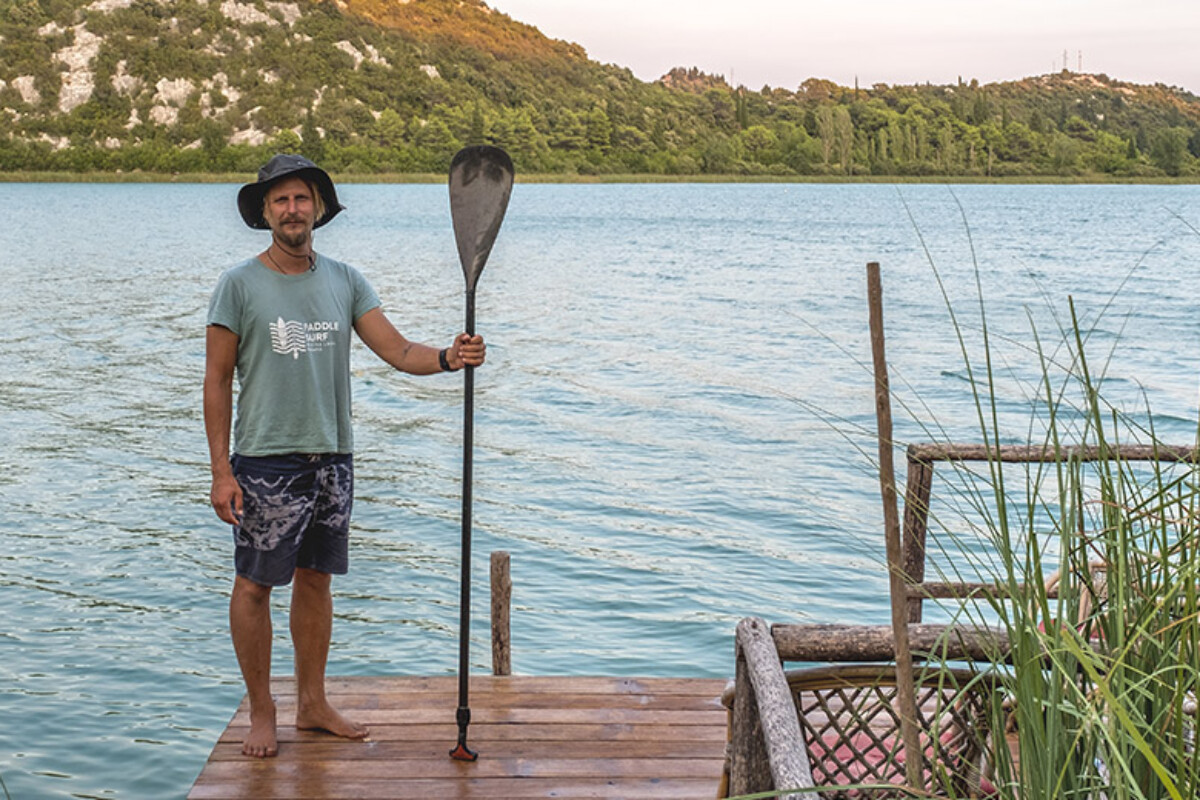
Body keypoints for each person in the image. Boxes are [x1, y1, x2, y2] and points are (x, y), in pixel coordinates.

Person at [203, 154, 485, 758]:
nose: (292, 209)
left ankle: (312, 703)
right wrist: (221, 470)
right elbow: (216, 381)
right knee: (254, 586)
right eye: (279, 200)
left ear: (320, 208)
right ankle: (261, 711)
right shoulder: (239, 285)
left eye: (302, 198)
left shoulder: (346, 280)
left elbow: (398, 349)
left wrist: (448, 356)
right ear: (264, 212)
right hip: (265, 460)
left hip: (333, 459)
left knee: (316, 581)